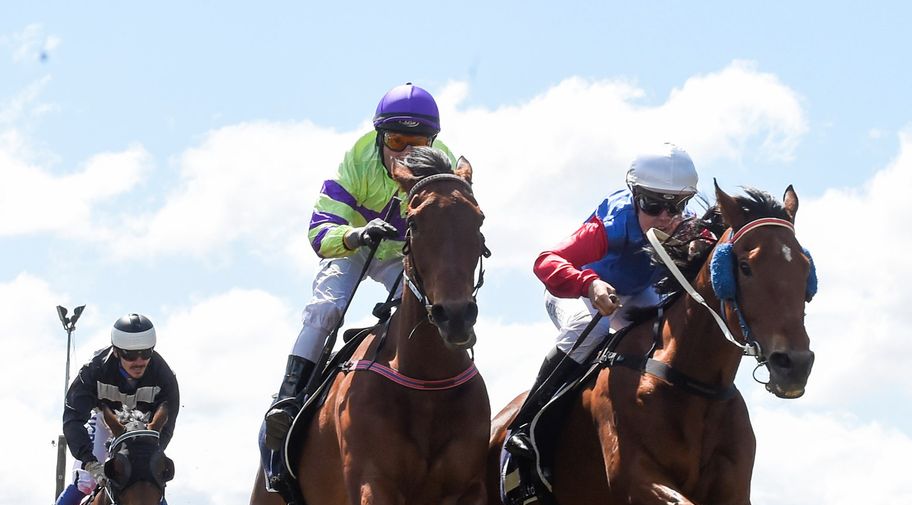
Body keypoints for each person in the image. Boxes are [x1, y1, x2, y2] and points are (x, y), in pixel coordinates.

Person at [263, 84, 456, 450]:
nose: (407, 155)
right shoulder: (356, 161)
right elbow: (320, 233)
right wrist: (356, 235)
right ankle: (287, 400)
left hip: (402, 252)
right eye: (397, 142)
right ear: (380, 136)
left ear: (433, 142)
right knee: (326, 308)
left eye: (419, 144)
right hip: (352, 245)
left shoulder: (443, 163)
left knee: (431, 306)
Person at [503, 143, 700, 460]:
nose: (664, 218)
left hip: (633, 294)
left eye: (675, 206)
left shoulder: (686, 226)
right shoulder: (611, 224)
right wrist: (590, 284)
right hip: (579, 291)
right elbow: (546, 261)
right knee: (589, 326)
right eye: (652, 205)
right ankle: (527, 424)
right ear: (636, 195)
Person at [26, 314, 183, 505]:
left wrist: (152, 458)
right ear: (116, 351)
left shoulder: (164, 376)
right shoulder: (94, 370)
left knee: (148, 480)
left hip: (144, 431)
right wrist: (88, 459)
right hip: (103, 422)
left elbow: (167, 423)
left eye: (145, 354)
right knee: (87, 482)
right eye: (130, 355)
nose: (139, 362)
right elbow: (73, 417)